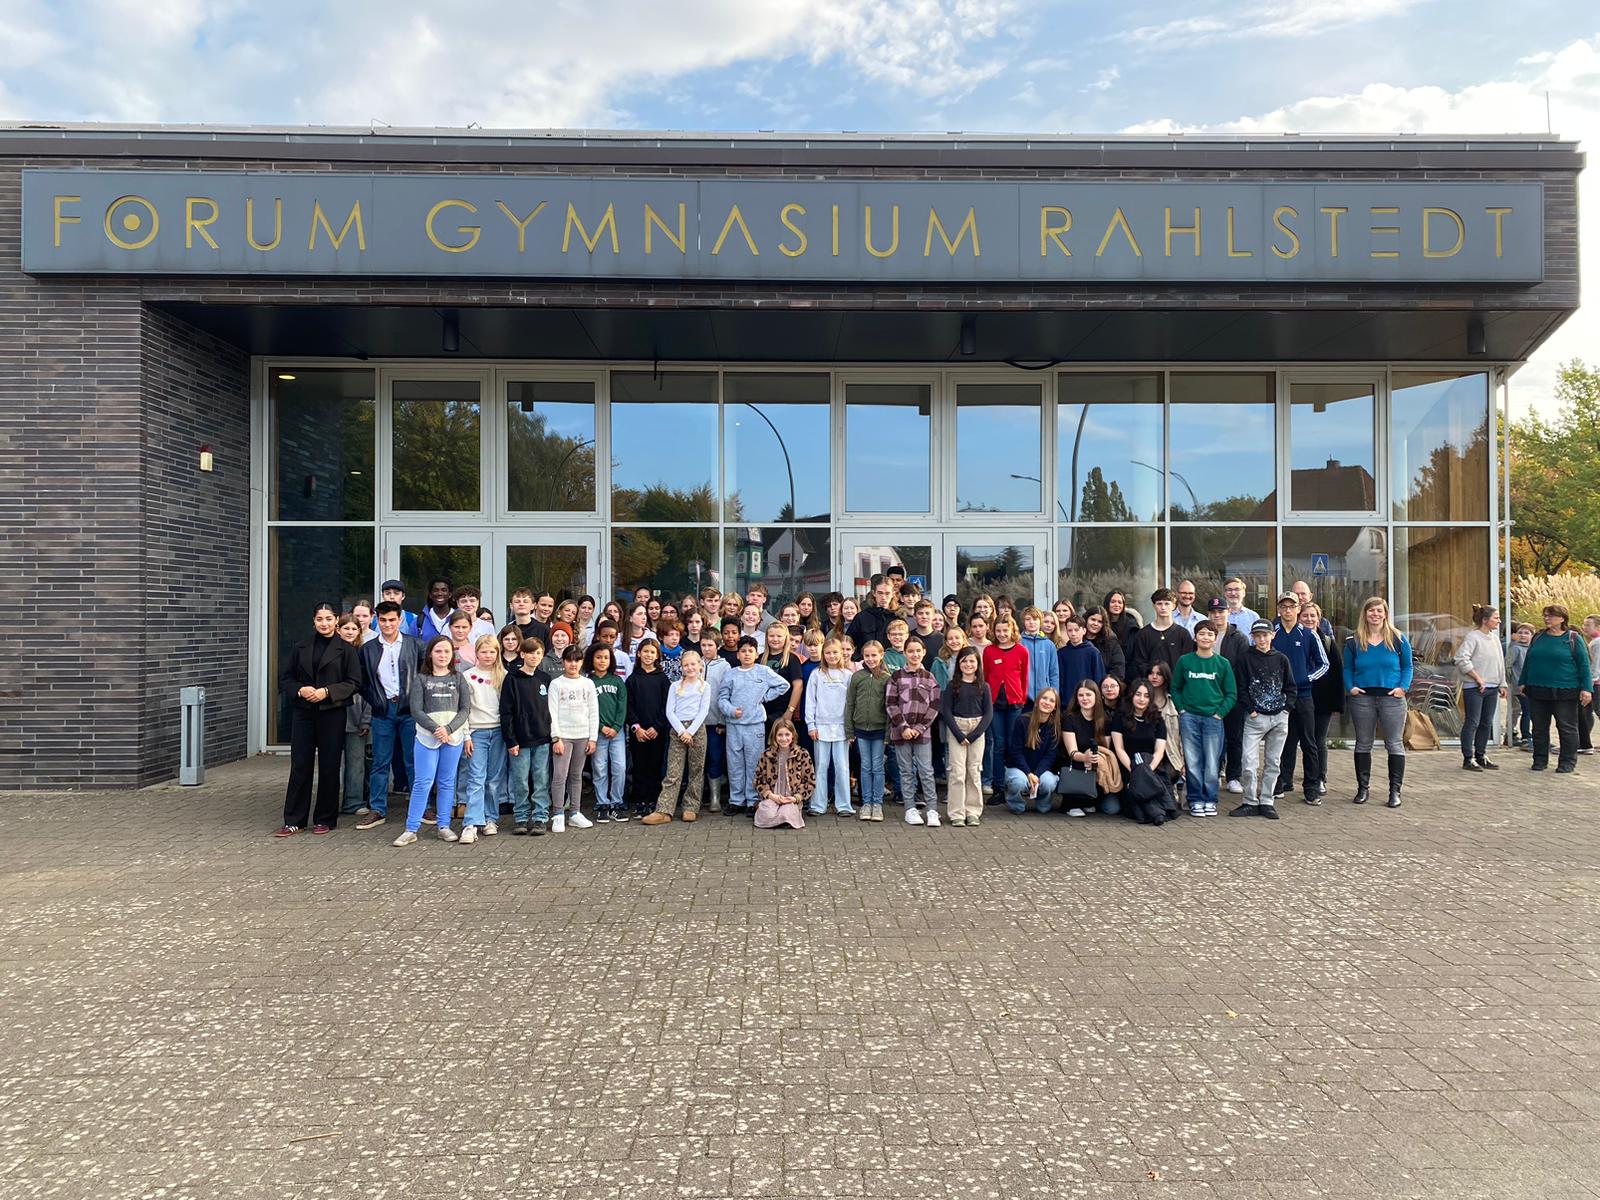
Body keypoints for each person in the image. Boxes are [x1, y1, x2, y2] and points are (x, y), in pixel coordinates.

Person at [277, 603, 365, 837]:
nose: (324, 623)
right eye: (319, 619)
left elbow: (355, 682)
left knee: (329, 766)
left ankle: (325, 819)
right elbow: (285, 679)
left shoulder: (346, 649)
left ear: (336, 620)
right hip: (303, 712)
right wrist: (300, 689)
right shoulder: (300, 647)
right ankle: (294, 820)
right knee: (300, 765)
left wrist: (327, 692)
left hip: (332, 712)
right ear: (313, 621)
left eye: (328, 618)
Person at [393, 636, 470, 847]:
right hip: (427, 738)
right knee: (423, 782)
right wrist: (436, 729)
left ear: (452, 655)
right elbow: (416, 710)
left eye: (446, 651)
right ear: (430, 654)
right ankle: (411, 829)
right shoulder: (421, 679)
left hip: (453, 738)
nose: (442, 655)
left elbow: (465, 709)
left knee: (446, 782)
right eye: (438, 651)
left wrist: (449, 729)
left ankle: (444, 826)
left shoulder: (459, 678)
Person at [355, 601, 422, 830]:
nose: (387, 624)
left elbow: (424, 676)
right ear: (377, 620)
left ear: (400, 619)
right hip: (383, 710)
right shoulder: (368, 649)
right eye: (383, 620)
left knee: (413, 760)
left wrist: (417, 702)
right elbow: (362, 681)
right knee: (380, 762)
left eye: (392, 620)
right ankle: (377, 809)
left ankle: (421, 807)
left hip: (410, 710)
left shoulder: (415, 645)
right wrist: (376, 700)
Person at [1343, 596, 1414, 807]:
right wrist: (1350, 687)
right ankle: (1362, 789)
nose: (1375, 614)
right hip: (1362, 699)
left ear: (1385, 614)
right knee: (1363, 743)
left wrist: (1403, 688)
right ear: (1365, 614)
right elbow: (1347, 668)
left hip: (1392, 699)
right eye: (1371, 610)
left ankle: (1395, 791)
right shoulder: (1354, 641)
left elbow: (1408, 666)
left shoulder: (1398, 639)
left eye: (1379, 611)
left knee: (1394, 744)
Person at [719, 636, 791, 814]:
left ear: (756, 654)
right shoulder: (731, 674)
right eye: (743, 651)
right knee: (735, 763)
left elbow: (784, 685)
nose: (746, 654)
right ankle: (736, 800)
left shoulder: (763, 671)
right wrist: (731, 710)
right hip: (734, 726)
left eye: (750, 651)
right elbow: (722, 698)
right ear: (738, 654)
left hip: (755, 725)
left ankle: (753, 800)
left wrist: (764, 697)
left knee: (754, 763)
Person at [1518, 603, 1593, 774]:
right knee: (1539, 728)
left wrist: (1586, 689)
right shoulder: (1538, 637)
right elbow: (1529, 660)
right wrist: (1523, 681)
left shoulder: (1573, 638)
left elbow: (1584, 665)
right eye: (1545, 615)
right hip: (1537, 689)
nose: (1547, 619)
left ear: (1562, 618)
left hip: (1565, 690)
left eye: (1550, 616)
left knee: (1566, 728)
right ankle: (1539, 760)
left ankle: (1567, 762)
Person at [1172, 622, 1236, 818]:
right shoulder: (1185, 661)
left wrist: (1219, 713)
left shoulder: (1222, 663)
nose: (1205, 637)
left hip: (1213, 719)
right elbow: (1175, 688)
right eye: (1201, 634)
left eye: (1210, 634)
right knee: (1192, 761)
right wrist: (1182, 709)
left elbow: (1231, 693)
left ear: (1215, 639)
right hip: (1189, 717)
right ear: (1195, 637)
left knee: (1212, 762)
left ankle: (1210, 799)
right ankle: (1195, 799)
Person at [1232, 620, 1294, 819]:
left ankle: (1267, 800)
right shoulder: (1245, 658)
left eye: (1265, 635)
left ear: (1272, 635)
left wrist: (1286, 710)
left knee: (1273, 762)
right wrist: (1250, 710)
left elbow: (1290, 686)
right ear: (1252, 637)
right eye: (1257, 636)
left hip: (1279, 717)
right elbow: (1240, 687)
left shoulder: (1281, 659)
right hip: (1255, 718)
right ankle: (1250, 801)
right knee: (1248, 762)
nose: (1262, 639)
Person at [1271, 593, 1329, 805]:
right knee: (1279, 742)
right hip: (1279, 697)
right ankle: (1279, 783)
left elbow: (1323, 664)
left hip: (1303, 696)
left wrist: (1305, 678)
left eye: (1292, 606)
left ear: (1298, 609)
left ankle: (1311, 787)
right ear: (1279, 609)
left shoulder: (1309, 634)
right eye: (1283, 606)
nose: (1287, 610)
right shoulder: (1272, 634)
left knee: (1308, 742)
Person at [642, 649, 712, 825]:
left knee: (696, 770)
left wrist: (691, 731)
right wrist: (682, 732)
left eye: (693, 664)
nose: (690, 668)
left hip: (697, 730)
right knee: (673, 771)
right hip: (677, 730)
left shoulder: (705, 686)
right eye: (686, 665)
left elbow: (703, 711)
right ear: (681, 667)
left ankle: (691, 807)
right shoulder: (675, 686)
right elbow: (669, 711)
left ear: (700, 665)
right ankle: (664, 809)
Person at [1288, 601, 1342, 800]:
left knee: (1317, 741)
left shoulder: (1327, 642)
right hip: (1298, 698)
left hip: (1321, 701)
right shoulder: (1293, 638)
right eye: (1305, 616)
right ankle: (1286, 779)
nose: (1309, 619)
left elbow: (1336, 673)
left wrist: (1337, 704)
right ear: (1298, 617)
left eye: (1313, 616)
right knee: (1291, 739)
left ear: (1319, 619)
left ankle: (1319, 778)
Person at [458, 635, 507, 844]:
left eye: (492, 652)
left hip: (498, 732)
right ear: (476, 653)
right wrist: (466, 735)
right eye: (484, 651)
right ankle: (471, 822)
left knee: (494, 779)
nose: (488, 655)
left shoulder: (503, 675)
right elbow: (464, 709)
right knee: (476, 777)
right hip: (476, 732)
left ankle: (490, 818)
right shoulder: (467, 676)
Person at [886, 636, 940, 825]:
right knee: (906, 771)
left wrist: (919, 727)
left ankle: (932, 809)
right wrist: (903, 727)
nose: (914, 654)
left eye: (918, 651)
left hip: (923, 733)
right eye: (910, 651)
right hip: (901, 732)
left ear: (924, 652)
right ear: (905, 653)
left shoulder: (929, 678)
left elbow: (934, 706)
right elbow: (890, 704)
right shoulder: (896, 677)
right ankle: (910, 809)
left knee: (926, 771)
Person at [501, 637, 553, 836]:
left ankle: (540, 817)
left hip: (542, 738)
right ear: (522, 654)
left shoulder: (545, 679)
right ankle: (521, 817)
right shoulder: (512, 679)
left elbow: (550, 709)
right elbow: (506, 711)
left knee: (541, 779)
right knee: (521, 781)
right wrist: (511, 739)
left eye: (538, 653)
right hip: (520, 740)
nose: (534, 656)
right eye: (530, 652)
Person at [937, 645, 991, 827]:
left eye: (972, 661)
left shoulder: (984, 686)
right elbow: (946, 711)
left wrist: (974, 735)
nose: (968, 664)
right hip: (956, 729)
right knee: (957, 772)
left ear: (978, 664)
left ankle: (973, 811)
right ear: (959, 664)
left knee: (974, 771)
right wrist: (959, 735)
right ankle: (956, 812)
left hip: (977, 729)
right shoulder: (952, 686)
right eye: (964, 661)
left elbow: (988, 714)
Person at [547, 646, 599, 832]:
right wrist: (556, 737)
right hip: (564, 736)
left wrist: (592, 738)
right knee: (560, 775)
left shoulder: (588, 684)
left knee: (576, 775)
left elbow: (593, 711)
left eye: (577, 660)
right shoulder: (556, 684)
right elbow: (552, 712)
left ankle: (575, 813)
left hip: (582, 735)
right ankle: (558, 814)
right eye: (569, 660)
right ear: (563, 662)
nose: (573, 664)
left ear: (582, 662)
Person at [804, 637, 855, 816]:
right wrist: (811, 725)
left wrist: (851, 729)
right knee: (821, 766)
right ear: (823, 654)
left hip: (842, 727)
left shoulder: (847, 675)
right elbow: (810, 701)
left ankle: (844, 805)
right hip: (821, 727)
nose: (832, 656)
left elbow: (852, 704)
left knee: (842, 767)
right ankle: (818, 804)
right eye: (828, 653)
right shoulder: (817, 674)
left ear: (841, 653)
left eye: (835, 652)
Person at [982, 614, 1030, 801]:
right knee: (998, 745)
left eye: (1005, 630)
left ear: (1012, 630)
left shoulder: (1021, 651)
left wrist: (1022, 698)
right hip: (995, 704)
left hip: (1014, 703)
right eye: (998, 631)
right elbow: (986, 677)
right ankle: (998, 788)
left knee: (1013, 744)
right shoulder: (989, 651)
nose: (1002, 634)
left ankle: (1016, 784)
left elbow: (1024, 677)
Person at [1110, 681, 1171, 825]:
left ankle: (1152, 813)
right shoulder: (1119, 717)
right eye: (1138, 694)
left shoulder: (1158, 719)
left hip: (1152, 766)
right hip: (1128, 767)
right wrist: (1135, 771)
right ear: (1131, 695)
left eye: (1146, 696)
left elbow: (1159, 751)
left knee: (1145, 777)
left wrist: (1147, 771)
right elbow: (1119, 748)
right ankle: (1156, 813)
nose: (1142, 699)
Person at [1456, 604, 1508, 771]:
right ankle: (1468, 758)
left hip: (1492, 687)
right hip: (1475, 688)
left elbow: (1500, 662)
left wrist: (1502, 683)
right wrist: (1477, 678)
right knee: (1473, 722)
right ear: (1485, 620)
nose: (1499, 621)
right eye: (1496, 618)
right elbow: (1461, 659)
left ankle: (1481, 754)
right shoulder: (1473, 637)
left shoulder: (1494, 638)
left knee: (1486, 722)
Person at [845, 640, 892, 821]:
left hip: (879, 730)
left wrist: (888, 733)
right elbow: (850, 703)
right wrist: (850, 731)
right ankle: (866, 803)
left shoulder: (886, 678)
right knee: (865, 766)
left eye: (874, 655)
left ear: (881, 655)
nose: (870, 659)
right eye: (867, 656)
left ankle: (877, 804)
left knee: (877, 767)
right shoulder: (857, 677)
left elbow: (890, 708)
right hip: (860, 730)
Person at [624, 638, 670, 819]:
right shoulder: (632, 679)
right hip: (639, 733)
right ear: (638, 653)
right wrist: (636, 727)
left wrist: (657, 726)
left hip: (657, 732)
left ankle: (653, 800)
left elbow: (667, 706)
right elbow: (629, 706)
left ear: (657, 656)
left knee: (655, 766)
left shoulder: (662, 679)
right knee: (639, 766)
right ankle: (640, 801)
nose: (648, 655)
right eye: (645, 651)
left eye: (652, 652)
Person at [585, 642, 628, 824]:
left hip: (616, 733)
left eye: (606, 658)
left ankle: (616, 803)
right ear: (591, 659)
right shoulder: (588, 682)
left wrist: (616, 727)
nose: (602, 661)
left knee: (620, 767)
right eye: (598, 657)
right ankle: (602, 804)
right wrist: (601, 727)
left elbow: (622, 706)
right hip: (598, 733)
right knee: (600, 768)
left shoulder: (617, 681)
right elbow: (587, 709)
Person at [335, 613, 373, 819]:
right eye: (346, 628)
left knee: (357, 761)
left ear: (359, 631)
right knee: (333, 762)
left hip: (357, 715)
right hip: (333, 713)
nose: (350, 632)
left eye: (354, 629)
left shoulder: (363, 655)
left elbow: (370, 689)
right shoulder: (331, 653)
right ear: (338, 630)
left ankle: (354, 801)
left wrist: (366, 718)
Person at [1007, 684, 1063, 815]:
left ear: (1055, 707)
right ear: (1037, 701)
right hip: (1019, 768)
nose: (1047, 702)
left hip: (1041, 770)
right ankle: (1016, 805)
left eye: (1051, 700)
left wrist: (1036, 774)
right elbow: (1016, 752)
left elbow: (1050, 756)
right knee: (1018, 782)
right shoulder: (1022, 721)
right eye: (1044, 698)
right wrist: (1028, 773)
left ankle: (1043, 804)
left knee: (1048, 783)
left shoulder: (1055, 727)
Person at [1124, 588, 1196, 684]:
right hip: (1150, 687)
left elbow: (1187, 664)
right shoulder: (1142, 634)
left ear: (1174, 606)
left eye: (1167, 604)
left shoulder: (1183, 634)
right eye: (1159, 604)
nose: (1163, 607)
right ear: (1154, 606)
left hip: (1175, 687)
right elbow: (1139, 664)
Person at [754, 719, 815, 830]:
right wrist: (770, 795)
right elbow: (759, 778)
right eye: (780, 735)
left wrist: (796, 798)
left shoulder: (802, 754)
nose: (784, 738)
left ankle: (785, 818)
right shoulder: (767, 754)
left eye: (787, 734)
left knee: (786, 813)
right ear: (774, 736)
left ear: (793, 735)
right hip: (772, 797)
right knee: (766, 813)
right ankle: (775, 817)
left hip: (791, 798)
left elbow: (809, 782)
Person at [1059, 682, 1105, 818]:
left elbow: (1106, 749)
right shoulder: (1069, 718)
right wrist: (1085, 757)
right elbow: (1072, 752)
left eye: (1088, 694)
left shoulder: (1104, 719)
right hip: (1076, 763)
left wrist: (1095, 758)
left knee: (1111, 809)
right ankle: (1072, 803)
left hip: (1097, 765)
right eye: (1081, 695)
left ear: (1096, 696)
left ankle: (1090, 799)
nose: (1085, 698)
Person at [697, 631, 730, 813]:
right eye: (703, 645)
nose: (707, 649)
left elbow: (726, 694)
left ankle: (715, 797)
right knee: (697, 760)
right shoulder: (696, 663)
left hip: (715, 721)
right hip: (696, 723)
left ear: (718, 646)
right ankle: (697, 796)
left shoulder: (724, 666)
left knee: (714, 757)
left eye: (710, 645)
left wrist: (722, 720)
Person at [761, 623, 806, 736]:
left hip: (783, 711)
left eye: (779, 636)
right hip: (762, 712)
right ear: (766, 637)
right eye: (771, 636)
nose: (775, 639)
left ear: (786, 638)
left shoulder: (792, 659)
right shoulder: (759, 659)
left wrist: (790, 710)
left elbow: (798, 686)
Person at [1056, 615, 1105, 704]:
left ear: (1084, 631)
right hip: (1066, 701)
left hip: (1087, 700)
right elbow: (1060, 678)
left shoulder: (1093, 652)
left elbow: (1098, 677)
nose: (1073, 633)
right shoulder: (1061, 653)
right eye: (1070, 630)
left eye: (1077, 630)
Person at [846, 575, 895, 662]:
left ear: (893, 594)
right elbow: (848, 643)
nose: (883, 597)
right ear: (874, 593)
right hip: (865, 664)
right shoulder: (861, 618)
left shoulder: (897, 618)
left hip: (891, 665)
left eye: (887, 593)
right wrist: (858, 660)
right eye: (880, 593)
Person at [1018, 606, 1060, 703]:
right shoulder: (1018, 643)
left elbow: (1054, 673)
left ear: (1040, 621)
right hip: (1023, 698)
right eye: (1028, 619)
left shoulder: (1049, 645)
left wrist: (1054, 694)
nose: (1031, 622)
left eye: (1035, 619)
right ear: (1023, 622)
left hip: (1044, 697)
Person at [1508, 622, 1534, 749]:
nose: (1523, 635)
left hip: (1531, 685)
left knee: (1531, 711)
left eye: (1526, 633)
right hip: (1519, 686)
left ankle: (1532, 736)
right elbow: (1507, 666)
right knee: (1526, 710)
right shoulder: (1515, 648)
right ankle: (1526, 737)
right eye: (1520, 632)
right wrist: (1510, 683)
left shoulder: (1532, 649)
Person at [1082, 606, 1126, 681]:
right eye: (1093, 619)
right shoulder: (1078, 640)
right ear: (1086, 619)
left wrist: (1106, 683)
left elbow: (1118, 667)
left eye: (1100, 621)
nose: (1095, 624)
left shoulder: (1110, 642)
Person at [1581, 615, 1600, 755]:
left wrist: (1590, 681)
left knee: (1592, 711)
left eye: (1588, 625)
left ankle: (1584, 742)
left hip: (1596, 682)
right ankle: (1584, 741)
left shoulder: (1597, 643)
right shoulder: (1593, 642)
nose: (1585, 627)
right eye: (1584, 624)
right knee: (1588, 712)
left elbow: (1595, 665)